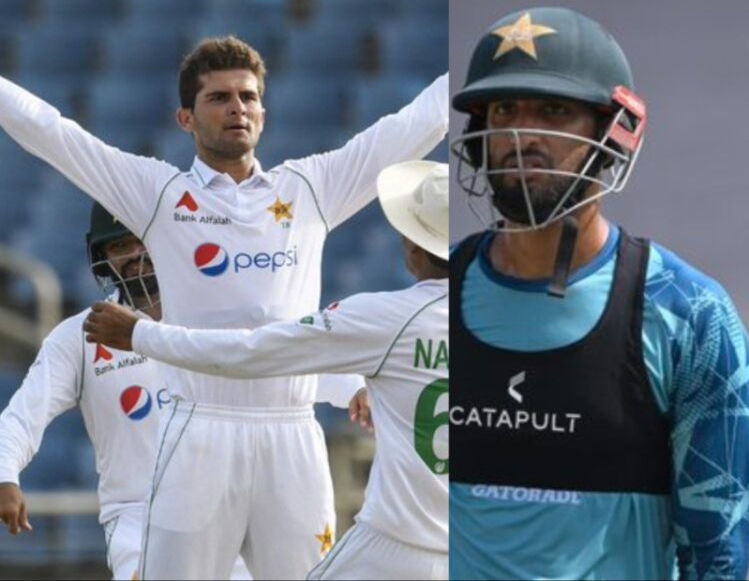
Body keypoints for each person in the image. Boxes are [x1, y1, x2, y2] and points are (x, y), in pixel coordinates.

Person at [0, 37, 447, 579]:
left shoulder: (310, 187)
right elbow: (51, 132)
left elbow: (415, 124)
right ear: (185, 117)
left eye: (248, 96)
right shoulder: (157, 192)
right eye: (218, 98)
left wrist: (480, 56)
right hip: (199, 433)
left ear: (263, 111)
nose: (237, 107)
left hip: (291, 436)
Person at [448, 7, 749, 579]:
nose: (521, 135)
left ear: (615, 132)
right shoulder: (432, 298)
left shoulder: (688, 315)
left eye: (553, 111)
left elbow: (717, 559)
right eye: (503, 110)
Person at [83, 161, 450, 580]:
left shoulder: (382, 316)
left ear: (412, 247)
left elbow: (254, 352)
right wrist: (351, 386)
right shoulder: (516, 326)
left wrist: (141, 336)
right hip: (478, 542)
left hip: (392, 542)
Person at [0, 202, 256, 580]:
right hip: (139, 518)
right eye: (120, 247)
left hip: (232, 510)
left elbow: (290, 355)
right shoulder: (79, 336)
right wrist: (5, 474)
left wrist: (350, 389)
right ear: (102, 258)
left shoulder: (222, 314)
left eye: (142, 241)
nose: (135, 256)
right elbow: (23, 415)